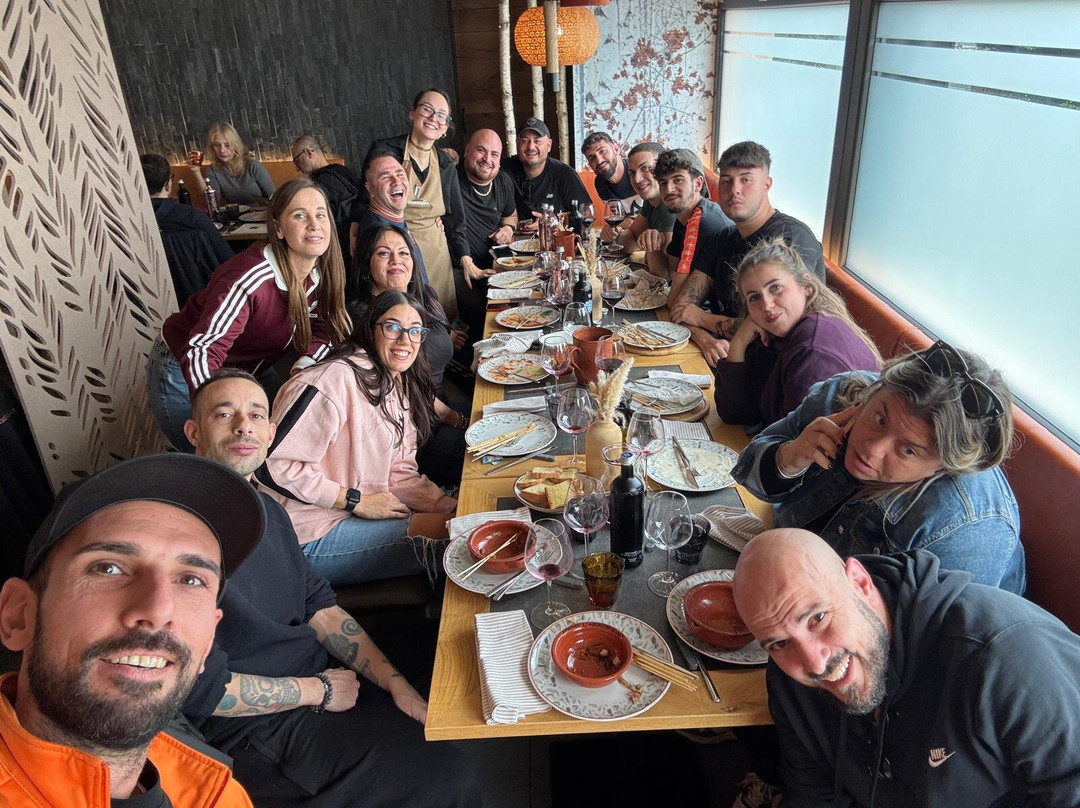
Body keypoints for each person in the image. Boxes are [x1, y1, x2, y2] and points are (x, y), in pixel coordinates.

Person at [182, 370, 480, 808]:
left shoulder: (266, 508)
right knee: (454, 779)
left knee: (459, 649)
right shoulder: (182, 541)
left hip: (318, 669)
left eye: (256, 415)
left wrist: (393, 682)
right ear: (194, 432)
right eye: (224, 415)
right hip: (257, 727)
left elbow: (318, 605)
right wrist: (318, 690)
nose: (243, 426)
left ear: (270, 433)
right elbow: (195, 688)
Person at [732, 529, 1080, 807]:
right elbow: (814, 795)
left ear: (860, 583)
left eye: (817, 618)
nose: (815, 663)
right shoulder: (791, 680)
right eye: (779, 643)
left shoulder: (1007, 657)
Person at [0, 453, 264, 807]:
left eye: (191, 579)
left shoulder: (223, 796)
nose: (158, 611)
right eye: (108, 568)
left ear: (207, 644)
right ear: (18, 616)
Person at [732, 341, 1025, 593]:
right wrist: (789, 458)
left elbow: (931, 635)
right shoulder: (843, 395)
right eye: (880, 419)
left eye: (908, 450)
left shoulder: (966, 528)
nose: (873, 449)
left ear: (943, 468)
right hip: (788, 563)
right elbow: (746, 469)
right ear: (875, 391)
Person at [257, 291, 457, 586]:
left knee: (461, 523)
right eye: (393, 327)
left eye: (415, 331)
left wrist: (442, 503)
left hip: (355, 513)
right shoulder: (330, 381)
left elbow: (398, 472)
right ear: (370, 328)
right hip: (305, 535)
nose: (406, 340)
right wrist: (355, 501)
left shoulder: (396, 382)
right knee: (457, 540)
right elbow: (271, 465)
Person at [146, 179, 351, 452]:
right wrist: (222, 412)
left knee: (283, 432)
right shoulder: (251, 277)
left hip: (247, 367)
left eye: (321, 215)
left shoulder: (321, 271)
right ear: (278, 228)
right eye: (300, 215)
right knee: (214, 457)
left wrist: (301, 369)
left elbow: (326, 329)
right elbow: (203, 350)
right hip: (185, 366)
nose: (314, 224)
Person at [715, 236, 881, 429]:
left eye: (776, 288)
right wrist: (738, 343)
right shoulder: (775, 335)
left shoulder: (813, 349)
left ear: (806, 286)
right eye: (754, 297)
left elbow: (794, 438)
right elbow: (734, 413)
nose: (767, 305)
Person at [670, 141, 826, 347]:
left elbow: (775, 327)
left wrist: (702, 319)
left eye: (746, 179)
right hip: (723, 352)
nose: (734, 189)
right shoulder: (722, 238)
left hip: (776, 360)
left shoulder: (790, 238)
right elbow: (682, 307)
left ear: (766, 185)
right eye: (727, 180)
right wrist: (705, 340)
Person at [350, 225, 468, 486]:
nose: (396, 260)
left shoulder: (425, 296)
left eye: (404, 252)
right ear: (366, 263)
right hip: (414, 433)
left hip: (443, 406)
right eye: (383, 253)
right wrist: (457, 419)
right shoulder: (364, 317)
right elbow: (401, 386)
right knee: (498, 450)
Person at [367, 89, 484, 321]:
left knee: (441, 311)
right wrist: (355, 230)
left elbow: (454, 218)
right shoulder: (386, 151)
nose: (433, 118)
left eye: (441, 115)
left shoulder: (446, 163)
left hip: (435, 249)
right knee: (405, 311)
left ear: (445, 127)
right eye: (427, 110)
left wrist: (465, 257)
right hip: (396, 243)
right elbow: (365, 198)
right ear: (412, 113)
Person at [654, 148, 734, 353]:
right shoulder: (682, 217)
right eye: (663, 183)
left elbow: (674, 302)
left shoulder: (702, 220)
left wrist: (704, 339)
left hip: (726, 331)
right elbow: (669, 274)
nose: (669, 189)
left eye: (678, 180)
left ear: (698, 184)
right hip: (703, 317)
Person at [141, 153, 234, 306]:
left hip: (148, 302)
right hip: (202, 302)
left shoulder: (130, 223)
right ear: (168, 184)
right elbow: (228, 260)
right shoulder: (192, 217)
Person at [455, 128, 518, 341]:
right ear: (467, 151)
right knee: (480, 312)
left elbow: (511, 216)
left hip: (493, 262)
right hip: (459, 266)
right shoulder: (450, 179)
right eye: (481, 150)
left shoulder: (503, 181)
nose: (487, 159)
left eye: (494, 154)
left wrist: (508, 229)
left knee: (517, 302)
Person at [501, 117, 589, 227]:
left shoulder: (565, 174)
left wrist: (553, 223)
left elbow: (586, 214)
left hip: (554, 236)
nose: (531, 147)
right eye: (524, 141)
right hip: (513, 236)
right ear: (517, 144)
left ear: (549, 145)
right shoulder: (504, 169)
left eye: (537, 141)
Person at [609, 141, 677, 279]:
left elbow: (666, 276)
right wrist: (617, 232)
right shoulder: (650, 201)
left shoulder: (669, 206)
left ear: (663, 169)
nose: (637, 179)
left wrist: (650, 247)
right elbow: (629, 240)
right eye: (632, 173)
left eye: (645, 168)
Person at [290, 135, 363, 263]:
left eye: (297, 161)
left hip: (341, 251)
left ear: (308, 153)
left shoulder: (320, 185)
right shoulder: (342, 170)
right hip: (360, 240)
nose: (297, 168)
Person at [186, 122, 275, 205]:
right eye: (217, 145)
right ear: (212, 147)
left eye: (227, 145)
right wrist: (196, 172)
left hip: (262, 213)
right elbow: (212, 201)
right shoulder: (213, 170)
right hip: (235, 215)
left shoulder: (252, 165)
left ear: (235, 145)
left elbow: (274, 198)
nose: (222, 150)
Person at [581, 131, 636, 208]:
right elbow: (617, 215)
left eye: (602, 151)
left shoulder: (637, 171)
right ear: (590, 165)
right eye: (592, 158)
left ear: (616, 149)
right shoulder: (600, 184)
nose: (599, 161)